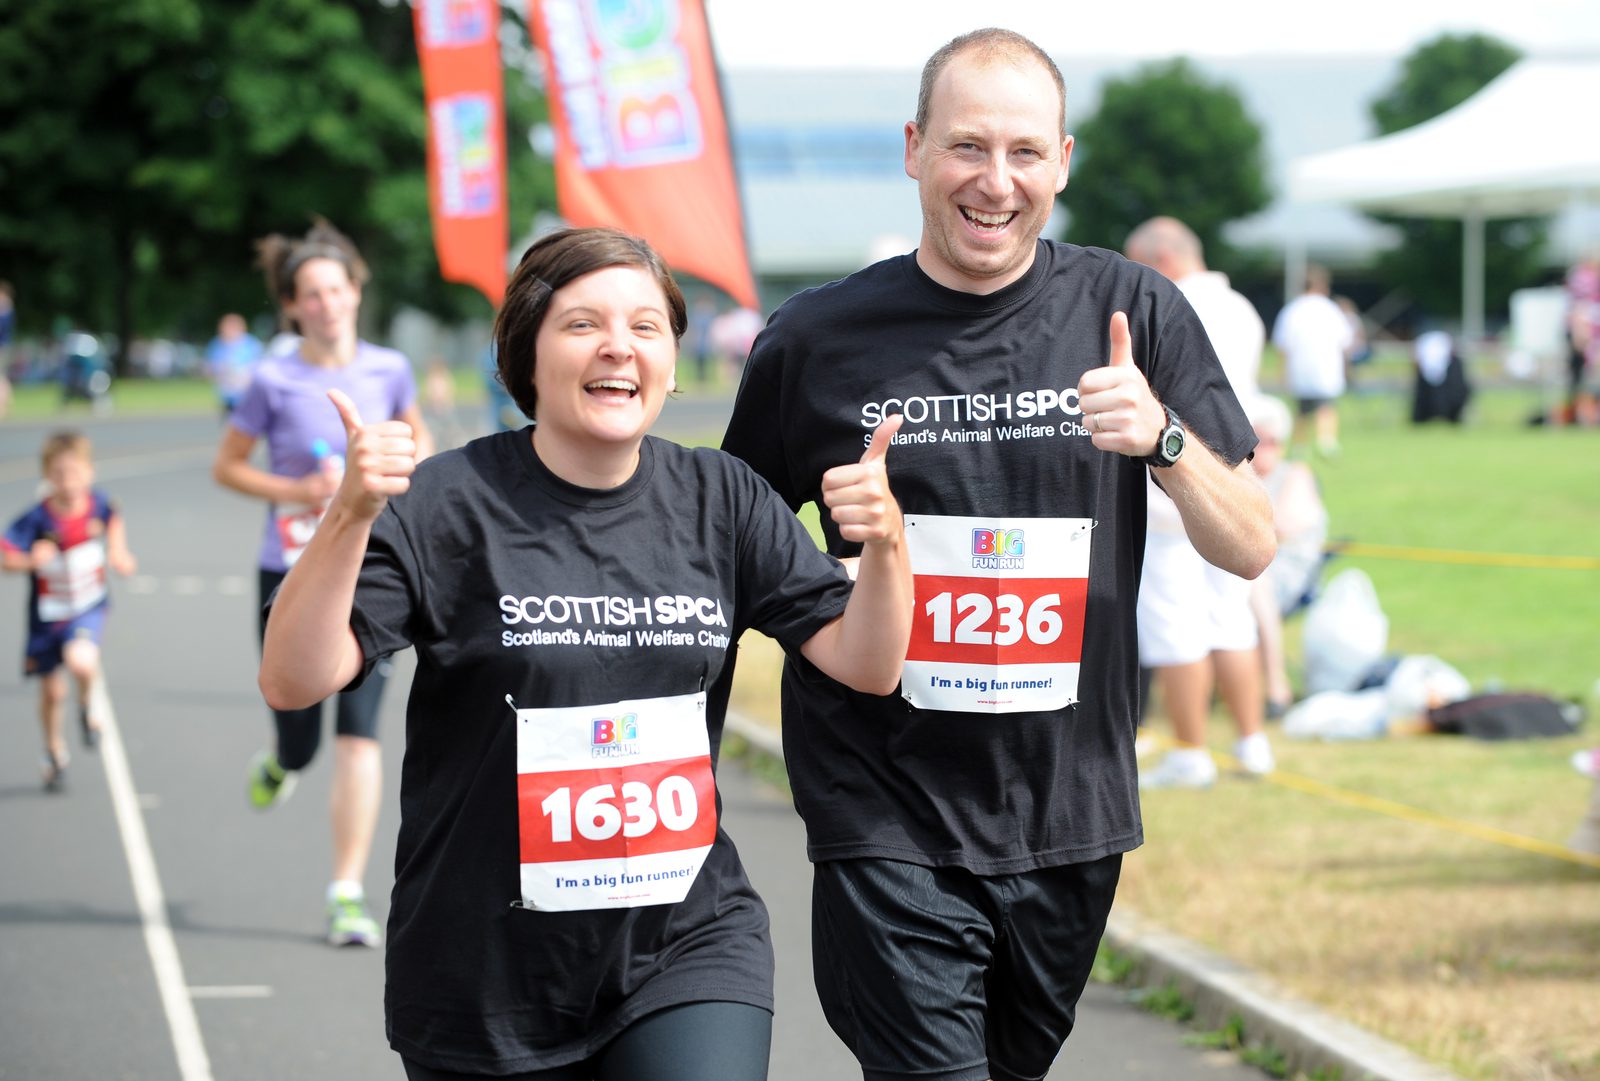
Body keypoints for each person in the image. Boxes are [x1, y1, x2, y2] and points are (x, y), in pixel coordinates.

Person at [720, 29, 1274, 1081]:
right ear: (914, 150)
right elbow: (731, 546)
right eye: (967, 147)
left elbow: (1250, 543)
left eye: (1024, 152)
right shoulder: (815, 339)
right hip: (880, 806)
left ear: (1063, 161)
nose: (995, 180)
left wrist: (1161, 439)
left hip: (1069, 809)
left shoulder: (1131, 311)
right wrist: (835, 586)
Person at [257, 226, 913, 1079]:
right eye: (583, 325)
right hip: (485, 967)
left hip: (684, 945)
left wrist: (887, 546)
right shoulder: (450, 503)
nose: (619, 346)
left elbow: (868, 663)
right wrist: (348, 515)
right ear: (525, 353)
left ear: (673, 364)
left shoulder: (724, 499)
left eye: (647, 327)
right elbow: (294, 676)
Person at [213, 217, 435, 948]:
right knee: (302, 731)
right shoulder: (273, 379)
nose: (327, 303)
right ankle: (282, 760)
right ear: (292, 306)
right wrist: (297, 487)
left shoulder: (390, 368)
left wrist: (402, 474)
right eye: (311, 294)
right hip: (292, 572)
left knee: (361, 735)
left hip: (375, 572)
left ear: (355, 291)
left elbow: (417, 438)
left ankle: (345, 891)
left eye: (337, 288)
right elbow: (229, 466)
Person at [1124, 216, 1273, 787]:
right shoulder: (1242, 308)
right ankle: (1251, 739)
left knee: (1173, 619)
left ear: (1162, 258)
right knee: (1230, 617)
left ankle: (1190, 751)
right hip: (1234, 475)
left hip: (1177, 477)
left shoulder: (1169, 305)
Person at [2, 431, 138, 791]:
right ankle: (53, 749)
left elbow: (114, 519)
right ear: (47, 476)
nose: (69, 482)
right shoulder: (36, 520)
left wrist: (118, 553)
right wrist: (30, 560)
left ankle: (87, 704)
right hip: (48, 616)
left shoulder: (99, 505)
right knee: (51, 692)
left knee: (81, 661)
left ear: (90, 472)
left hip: (87, 607)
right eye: (60, 474)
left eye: (76, 472)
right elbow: (6, 556)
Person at [1272, 264, 1352, 458]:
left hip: (1299, 369)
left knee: (1302, 410)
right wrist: (1347, 368)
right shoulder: (1331, 309)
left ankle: (1300, 446)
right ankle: (1326, 441)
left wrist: (1283, 372)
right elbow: (1345, 342)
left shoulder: (1292, 310)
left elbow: (1283, 344)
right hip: (1326, 367)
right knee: (1326, 407)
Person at [204, 312, 264, 417]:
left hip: (247, 394)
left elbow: (259, 368)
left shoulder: (251, 345)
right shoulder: (216, 345)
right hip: (227, 394)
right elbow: (210, 368)